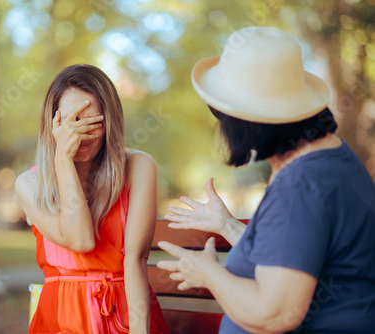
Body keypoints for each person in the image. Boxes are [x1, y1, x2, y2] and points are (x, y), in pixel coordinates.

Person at [157, 27, 375, 333]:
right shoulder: (329, 158)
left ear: (245, 125)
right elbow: (294, 256)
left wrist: (209, 273)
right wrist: (227, 226)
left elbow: (277, 314)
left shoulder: (302, 184)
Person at [15, 64, 170, 334]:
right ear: (53, 124)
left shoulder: (138, 166)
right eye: (73, 123)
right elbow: (81, 240)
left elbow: (136, 258)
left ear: (109, 122)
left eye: (92, 123)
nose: (81, 135)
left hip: (125, 318)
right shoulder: (29, 184)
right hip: (60, 321)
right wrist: (62, 160)